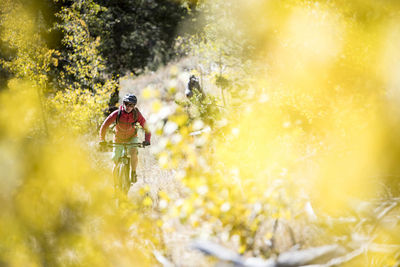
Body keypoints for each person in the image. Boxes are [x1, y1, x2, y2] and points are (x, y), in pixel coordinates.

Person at [99, 93, 151, 183]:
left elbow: (146, 127)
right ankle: (116, 185)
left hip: (132, 138)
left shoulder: (136, 114)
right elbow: (104, 125)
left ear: (134, 106)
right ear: (123, 103)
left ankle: (133, 173)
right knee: (116, 161)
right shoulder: (117, 113)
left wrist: (147, 140)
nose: (128, 107)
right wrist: (102, 139)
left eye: (131, 105)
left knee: (133, 152)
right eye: (126, 103)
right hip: (118, 138)